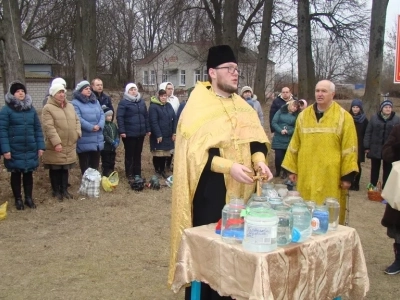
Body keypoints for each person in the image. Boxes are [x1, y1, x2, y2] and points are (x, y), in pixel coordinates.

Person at [168, 45, 273, 300]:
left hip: (244, 194)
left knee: (240, 256)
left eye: (237, 69)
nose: (236, 74)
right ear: (212, 72)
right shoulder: (196, 106)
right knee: (211, 261)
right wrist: (229, 167)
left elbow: (256, 142)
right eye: (230, 69)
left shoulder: (244, 107)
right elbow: (195, 155)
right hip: (210, 195)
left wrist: (259, 161)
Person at [282, 80, 358, 225]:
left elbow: (350, 148)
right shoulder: (303, 116)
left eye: (324, 91)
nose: (320, 94)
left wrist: (347, 176)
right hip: (306, 173)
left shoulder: (344, 117)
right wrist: (291, 168)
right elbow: (295, 143)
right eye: (317, 91)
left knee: (328, 214)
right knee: (304, 210)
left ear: (332, 94)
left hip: (331, 175)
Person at [0, 81, 45, 210]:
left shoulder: (31, 110)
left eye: (23, 91)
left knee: (28, 174)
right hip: (14, 148)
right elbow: (2, 131)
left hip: (29, 147)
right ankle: (18, 199)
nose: (21, 93)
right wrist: (5, 150)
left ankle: (28, 198)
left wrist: (40, 146)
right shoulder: (6, 110)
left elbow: (37, 128)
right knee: (15, 173)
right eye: (18, 91)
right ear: (13, 94)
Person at [42, 83, 81, 201]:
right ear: (53, 94)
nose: (62, 94)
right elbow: (48, 127)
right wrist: (56, 143)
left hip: (69, 143)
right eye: (59, 92)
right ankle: (56, 190)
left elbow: (77, 120)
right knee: (55, 168)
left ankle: (64, 190)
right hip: (56, 145)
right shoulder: (48, 108)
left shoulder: (70, 106)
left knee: (65, 168)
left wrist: (77, 133)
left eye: (63, 92)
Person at [116, 83, 150, 180]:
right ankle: (129, 173)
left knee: (138, 153)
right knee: (130, 154)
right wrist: (122, 130)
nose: (133, 91)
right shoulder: (123, 102)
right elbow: (120, 117)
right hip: (129, 133)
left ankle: (137, 173)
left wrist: (148, 129)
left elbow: (145, 116)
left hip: (140, 132)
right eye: (131, 90)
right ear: (127, 91)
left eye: (134, 89)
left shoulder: (141, 102)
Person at [363, 99, 400, 188]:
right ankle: (372, 186)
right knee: (374, 169)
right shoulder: (374, 118)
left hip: (389, 149)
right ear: (381, 109)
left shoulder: (397, 119)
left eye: (390, 107)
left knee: (388, 169)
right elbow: (368, 132)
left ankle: (385, 188)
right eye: (386, 107)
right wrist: (366, 146)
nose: (388, 109)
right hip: (375, 147)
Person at [72, 80, 105, 175]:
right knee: (85, 164)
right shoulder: (75, 103)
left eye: (89, 88)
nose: (88, 90)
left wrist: (100, 125)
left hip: (97, 137)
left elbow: (102, 114)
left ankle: (94, 182)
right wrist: (91, 127)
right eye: (86, 89)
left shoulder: (95, 102)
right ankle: (86, 182)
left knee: (95, 163)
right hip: (85, 138)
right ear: (80, 91)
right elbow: (78, 118)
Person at [382, 124, 400, 275]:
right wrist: (397, 148)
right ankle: (399, 260)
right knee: (399, 226)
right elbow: (386, 153)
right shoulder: (398, 129)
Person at [149, 89, 177, 179]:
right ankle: (157, 170)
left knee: (165, 154)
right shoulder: (153, 107)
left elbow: (174, 119)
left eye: (165, 96)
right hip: (158, 135)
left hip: (168, 134)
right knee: (158, 154)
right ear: (158, 96)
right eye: (162, 96)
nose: (164, 98)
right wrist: (158, 134)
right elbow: (153, 122)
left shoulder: (168, 106)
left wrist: (174, 132)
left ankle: (163, 170)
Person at [271, 100, 300, 179]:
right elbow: (274, 122)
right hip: (279, 137)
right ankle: (277, 171)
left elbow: (297, 126)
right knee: (278, 156)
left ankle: (284, 172)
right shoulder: (280, 111)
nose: (295, 108)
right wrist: (280, 130)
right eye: (294, 106)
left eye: (296, 107)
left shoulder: (297, 115)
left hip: (288, 138)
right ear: (290, 105)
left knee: (286, 156)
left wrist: (289, 131)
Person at [159, 81, 180, 171]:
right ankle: (161, 166)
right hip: (163, 125)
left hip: (173, 124)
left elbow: (178, 112)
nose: (170, 90)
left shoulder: (175, 99)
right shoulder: (162, 99)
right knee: (163, 147)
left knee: (172, 146)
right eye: (168, 88)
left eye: (171, 88)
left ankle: (168, 165)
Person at [348, 99, 369, 191]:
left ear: (360, 108)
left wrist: (366, 146)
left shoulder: (364, 120)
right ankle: (350, 182)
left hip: (359, 145)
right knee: (348, 164)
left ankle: (356, 183)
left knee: (357, 164)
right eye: (353, 107)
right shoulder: (347, 118)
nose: (355, 109)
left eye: (357, 107)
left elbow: (366, 133)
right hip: (349, 145)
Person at [101, 109, 119, 177]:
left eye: (111, 116)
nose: (110, 117)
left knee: (112, 161)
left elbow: (117, 133)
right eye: (108, 116)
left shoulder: (113, 125)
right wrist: (112, 142)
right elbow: (105, 136)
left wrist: (117, 140)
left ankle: (111, 173)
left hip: (112, 148)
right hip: (106, 147)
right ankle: (106, 174)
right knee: (106, 161)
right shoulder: (104, 125)